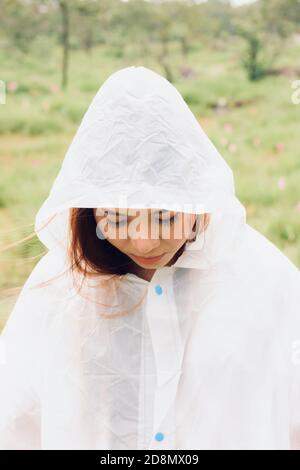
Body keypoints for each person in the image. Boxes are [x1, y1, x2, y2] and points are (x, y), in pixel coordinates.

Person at [0, 66, 299, 450]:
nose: (144, 242)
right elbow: (15, 418)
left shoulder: (264, 280)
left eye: (167, 217)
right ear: (90, 212)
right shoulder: (60, 289)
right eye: (119, 219)